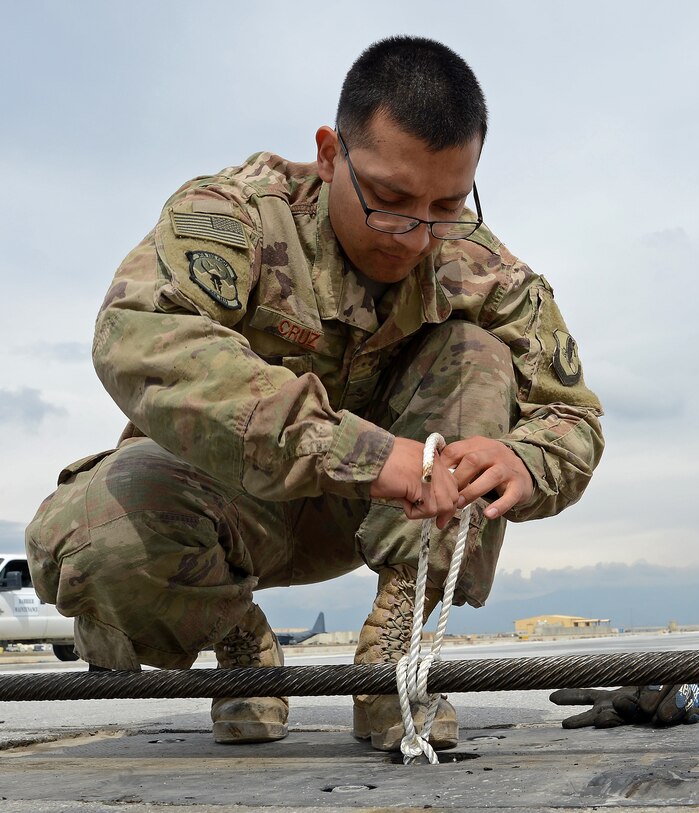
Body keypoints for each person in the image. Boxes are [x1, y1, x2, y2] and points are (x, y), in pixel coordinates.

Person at [24, 36, 604, 750]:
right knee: (86, 537)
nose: (415, 236)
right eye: (389, 200)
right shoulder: (236, 214)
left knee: (476, 354)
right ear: (330, 155)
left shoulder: (478, 264)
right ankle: (237, 635)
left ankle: (394, 652)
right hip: (225, 504)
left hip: (390, 516)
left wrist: (525, 460)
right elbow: (140, 336)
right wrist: (364, 452)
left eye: (446, 205)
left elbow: (572, 415)